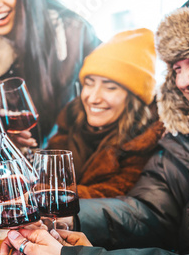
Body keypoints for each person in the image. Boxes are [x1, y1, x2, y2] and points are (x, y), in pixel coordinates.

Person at [0, 2, 189, 255]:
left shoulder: (154, 138)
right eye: (178, 68)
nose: (183, 81)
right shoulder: (185, 140)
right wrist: (69, 217)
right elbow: (147, 213)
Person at [0, 0, 100, 146]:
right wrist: (0, 140)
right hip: (11, 165)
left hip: (67, 155)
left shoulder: (70, 30)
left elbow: (110, 78)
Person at [47, 28, 164, 199]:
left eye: (110, 87)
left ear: (134, 98)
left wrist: (44, 193)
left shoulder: (146, 140)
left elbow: (114, 198)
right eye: (89, 83)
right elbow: (42, 173)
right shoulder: (71, 120)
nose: (93, 98)